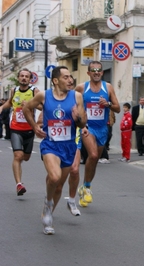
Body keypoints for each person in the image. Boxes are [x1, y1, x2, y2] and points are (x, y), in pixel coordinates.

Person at [22, 66, 87, 235]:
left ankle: (48, 209)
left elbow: (83, 123)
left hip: (69, 145)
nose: (70, 80)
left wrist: (77, 118)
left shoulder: (77, 96)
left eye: (70, 77)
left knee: (59, 187)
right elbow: (26, 108)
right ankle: (48, 203)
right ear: (56, 80)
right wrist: (35, 126)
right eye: (66, 77)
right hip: (50, 144)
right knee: (55, 176)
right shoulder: (44, 95)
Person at [75, 61, 120, 207]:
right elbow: (71, 104)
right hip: (88, 128)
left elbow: (118, 108)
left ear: (102, 72)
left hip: (102, 129)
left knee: (94, 161)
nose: (96, 72)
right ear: (88, 73)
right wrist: (79, 122)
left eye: (99, 70)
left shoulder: (108, 87)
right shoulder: (82, 87)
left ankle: (85, 186)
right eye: (93, 70)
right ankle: (87, 189)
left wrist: (108, 105)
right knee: (93, 155)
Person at [0, 68, 40, 195]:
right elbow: (10, 103)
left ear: (29, 79)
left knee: (26, 157)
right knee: (18, 156)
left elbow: (42, 106)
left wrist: (29, 104)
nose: (24, 78)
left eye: (26, 76)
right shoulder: (14, 90)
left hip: (29, 129)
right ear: (18, 78)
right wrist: (1, 107)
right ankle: (18, 184)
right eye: (22, 76)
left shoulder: (35, 91)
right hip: (15, 128)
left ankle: (19, 174)